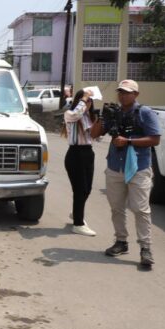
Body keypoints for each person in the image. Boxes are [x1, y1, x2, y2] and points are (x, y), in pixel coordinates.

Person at [91, 79, 161, 267]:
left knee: (141, 209)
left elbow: (155, 139)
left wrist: (128, 141)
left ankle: (145, 248)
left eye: (127, 92)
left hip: (139, 167)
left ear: (136, 94)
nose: (122, 96)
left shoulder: (145, 112)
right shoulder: (114, 113)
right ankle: (121, 241)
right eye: (120, 92)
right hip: (115, 166)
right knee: (116, 208)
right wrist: (101, 117)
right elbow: (94, 134)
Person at [62, 88, 97, 237]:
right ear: (79, 100)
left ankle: (76, 212)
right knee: (80, 190)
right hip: (75, 154)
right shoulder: (70, 114)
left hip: (88, 153)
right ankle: (78, 224)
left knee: (87, 189)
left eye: (90, 101)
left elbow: (97, 137)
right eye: (86, 100)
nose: (88, 103)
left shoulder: (89, 117)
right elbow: (76, 114)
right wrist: (84, 98)